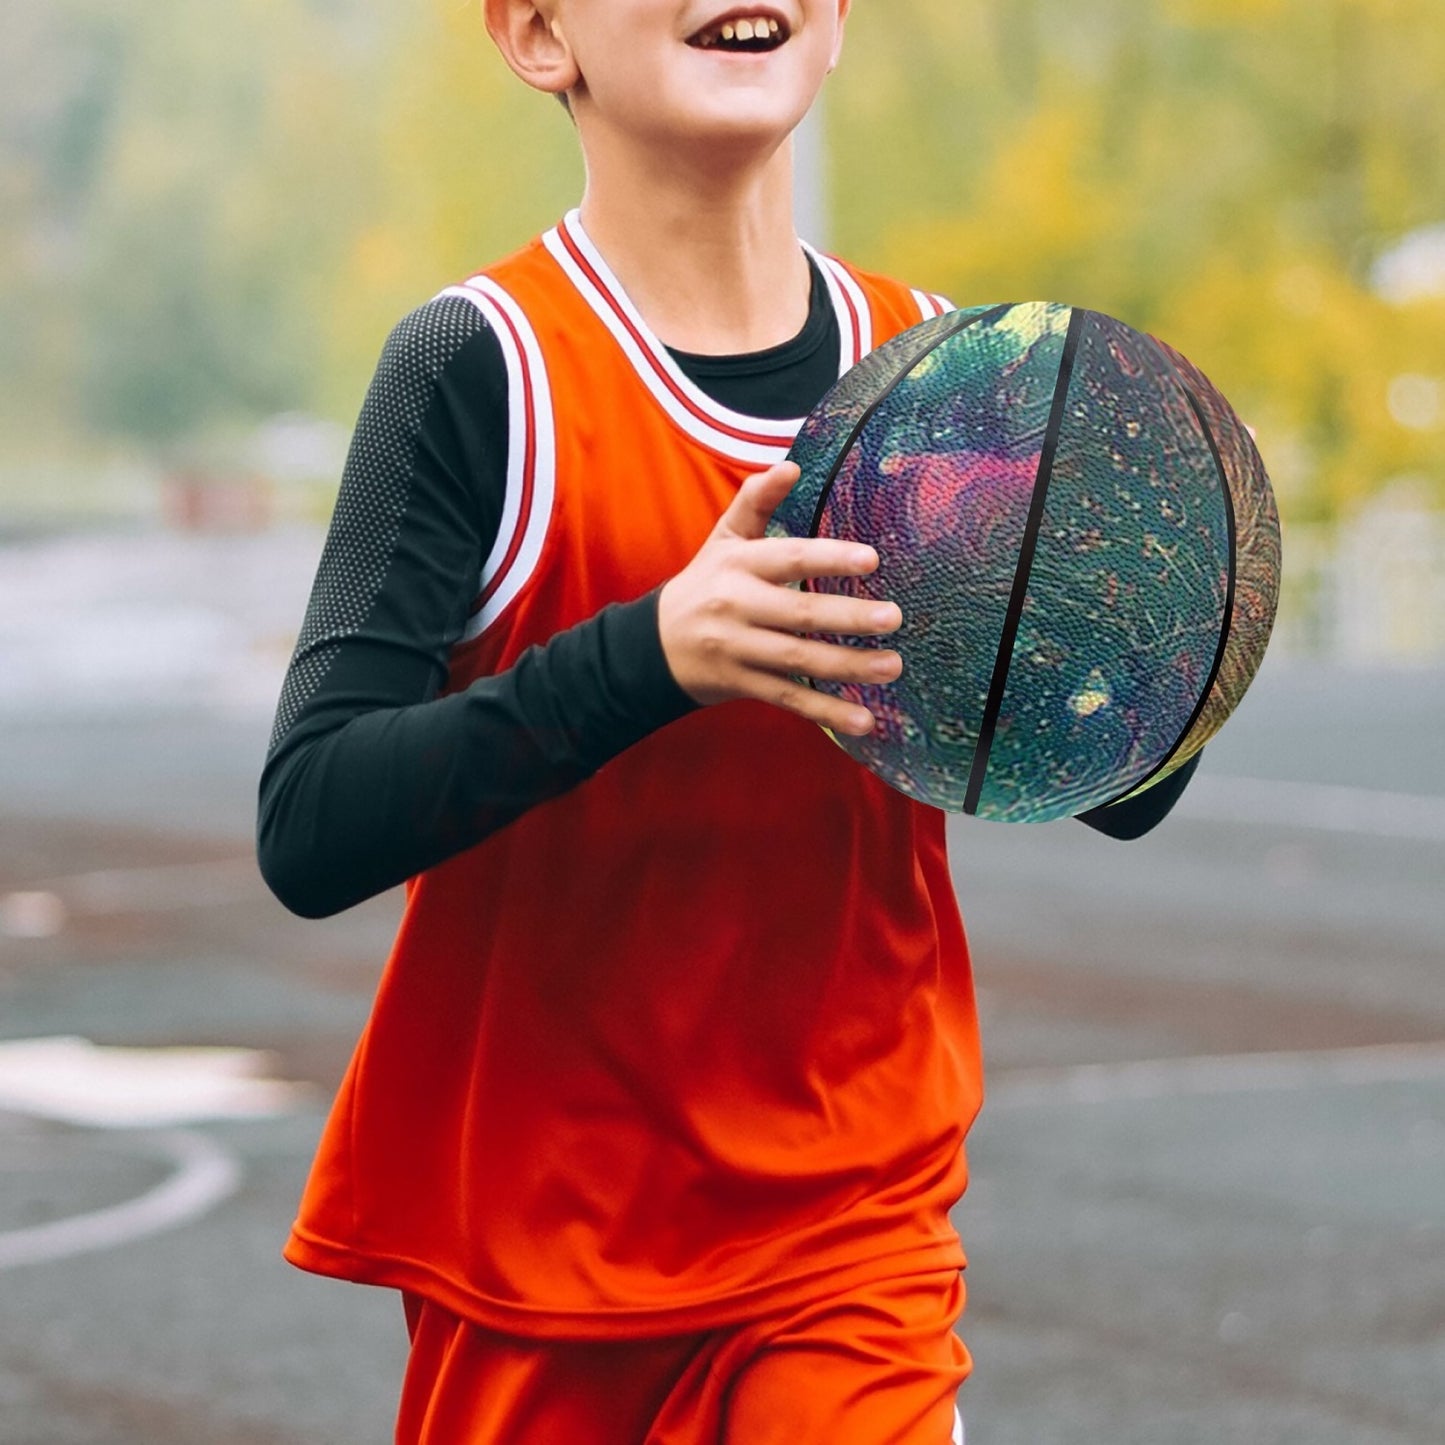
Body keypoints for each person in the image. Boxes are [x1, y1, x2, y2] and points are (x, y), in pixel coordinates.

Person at [257, 2, 1200, 1440]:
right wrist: (650, 654)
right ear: (533, 35)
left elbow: (1114, 784)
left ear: (831, 26)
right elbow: (311, 821)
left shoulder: (944, 380)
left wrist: (1157, 626)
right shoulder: (480, 367)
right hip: (540, 1244)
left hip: (848, 1226)